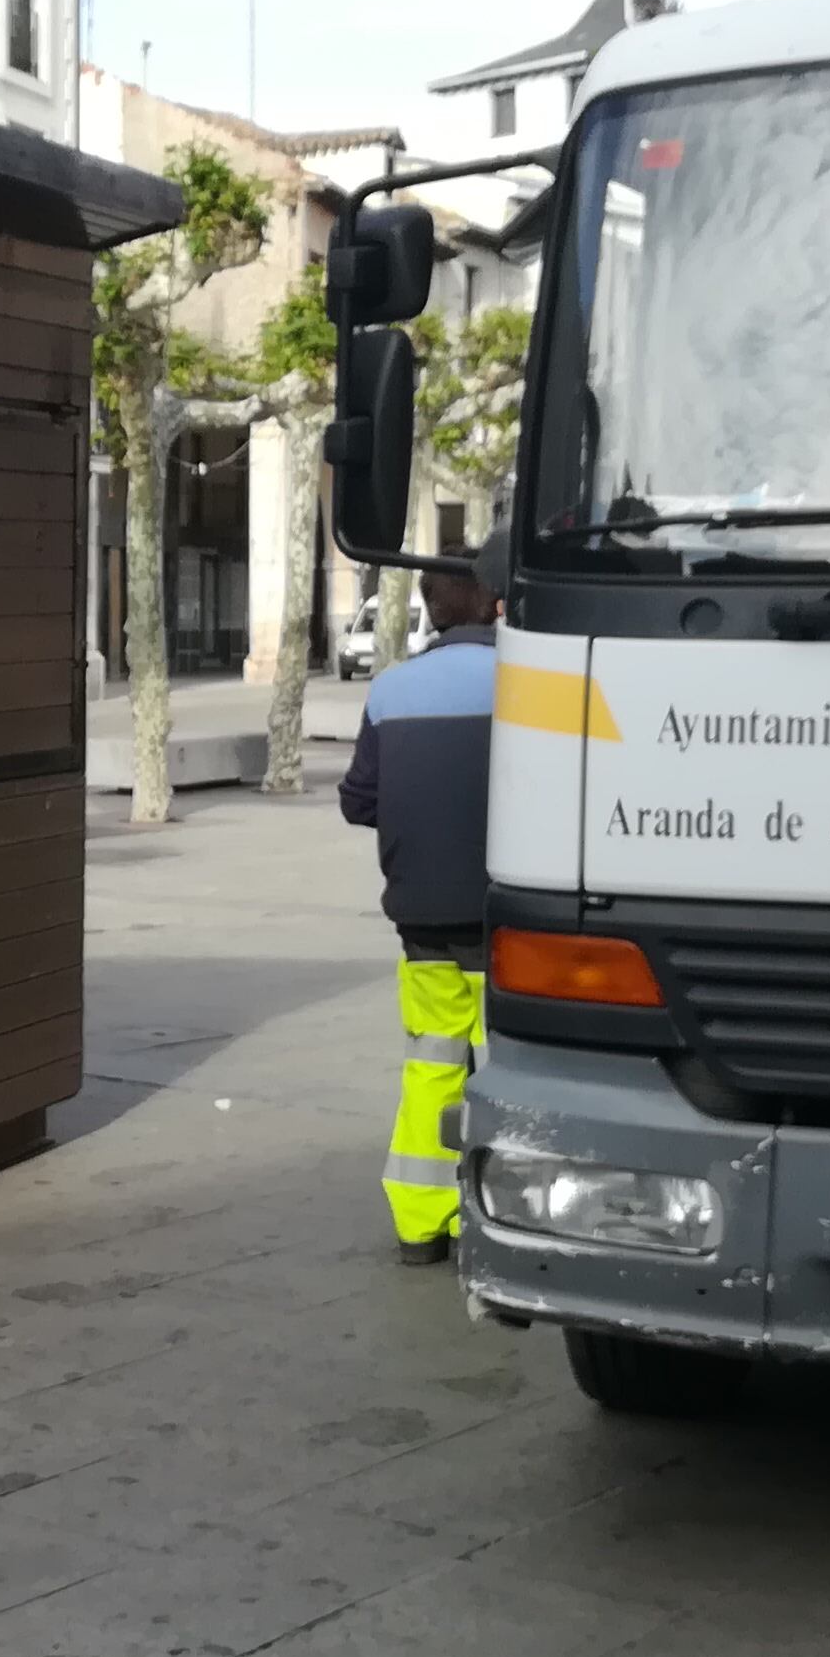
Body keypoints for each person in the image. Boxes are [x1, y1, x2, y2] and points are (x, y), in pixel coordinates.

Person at [337, 531, 503, 1262]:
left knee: (431, 1063)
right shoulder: (527, 682)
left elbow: (357, 801)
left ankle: (419, 1224)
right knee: (502, 1070)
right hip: (506, 923)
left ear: (429, 609)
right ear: (494, 600)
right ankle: (492, 1218)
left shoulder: (391, 688)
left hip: (420, 923)